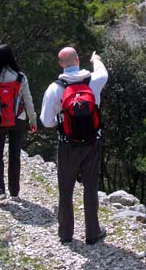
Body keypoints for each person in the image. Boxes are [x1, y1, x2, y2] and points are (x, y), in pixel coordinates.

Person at [40, 47, 108, 244]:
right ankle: (92, 233)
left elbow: (47, 121)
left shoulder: (55, 88)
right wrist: (95, 59)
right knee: (90, 187)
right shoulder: (94, 80)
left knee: (66, 188)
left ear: (61, 64)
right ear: (78, 59)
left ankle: (66, 233)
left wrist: (64, 123)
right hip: (92, 142)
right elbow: (103, 71)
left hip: (67, 145)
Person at [0, 44, 37, 202]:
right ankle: (14, 191)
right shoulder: (20, 78)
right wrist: (32, 120)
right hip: (18, 119)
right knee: (15, 155)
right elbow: (28, 100)